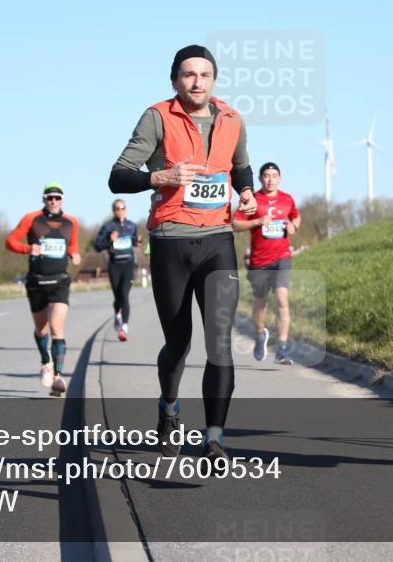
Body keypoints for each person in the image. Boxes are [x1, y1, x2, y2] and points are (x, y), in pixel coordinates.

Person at [109, 44, 256, 463]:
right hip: (171, 241)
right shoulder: (157, 116)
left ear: (214, 80)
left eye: (205, 74)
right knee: (179, 343)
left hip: (218, 241)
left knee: (220, 344)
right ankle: (169, 407)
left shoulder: (233, 119)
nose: (197, 82)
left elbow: (241, 165)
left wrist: (244, 191)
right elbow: (117, 176)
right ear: (175, 80)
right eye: (188, 75)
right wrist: (162, 175)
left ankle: (214, 440)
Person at [5, 183, 82, 396]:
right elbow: (10, 241)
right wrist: (27, 248)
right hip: (37, 282)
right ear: (44, 199)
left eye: (57, 197)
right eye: (50, 197)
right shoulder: (32, 219)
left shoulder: (71, 222)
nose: (53, 201)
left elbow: (72, 245)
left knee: (57, 327)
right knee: (42, 330)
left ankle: (58, 376)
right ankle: (45, 361)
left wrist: (74, 254)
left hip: (60, 281)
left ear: (62, 200)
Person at [232, 162, 300, 364]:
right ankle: (260, 334)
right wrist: (257, 222)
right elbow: (235, 224)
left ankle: (282, 347)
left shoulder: (287, 199)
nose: (270, 179)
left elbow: (296, 217)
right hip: (259, 260)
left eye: (274, 175)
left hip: (282, 258)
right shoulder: (253, 200)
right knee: (260, 304)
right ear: (260, 179)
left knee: (282, 300)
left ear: (280, 178)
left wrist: (293, 226)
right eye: (267, 176)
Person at [93, 199, 142, 341]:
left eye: (122, 208)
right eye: (117, 208)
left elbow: (133, 240)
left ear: (126, 209)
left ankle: (124, 328)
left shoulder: (132, 225)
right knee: (118, 298)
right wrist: (110, 239)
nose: (120, 211)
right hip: (114, 265)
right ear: (113, 210)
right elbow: (97, 246)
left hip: (128, 264)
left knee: (125, 295)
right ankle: (117, 314)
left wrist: (137, 241)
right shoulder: (108, 226)